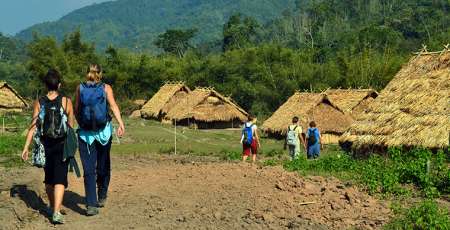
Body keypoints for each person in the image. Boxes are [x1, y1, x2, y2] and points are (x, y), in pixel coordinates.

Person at [22, 69, 75, 224]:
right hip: (62, 144)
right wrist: (71, 146)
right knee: (60, 179)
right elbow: (71, 126)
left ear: (46, 85)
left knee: (49, 179)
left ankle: (52, 207)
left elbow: (33, 126)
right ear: (59, 84)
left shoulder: (40, 102)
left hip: (45, 146)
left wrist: (26, 147)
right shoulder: (66, 101)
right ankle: (56, 212)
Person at [75, 64, 125, 216]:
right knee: (103, 166)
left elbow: (76, 109)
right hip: (104, 134)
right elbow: (113, 105)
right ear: (100, 74)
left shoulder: (80, 88)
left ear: (87, 74)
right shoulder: (106, 88)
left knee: (88, 170)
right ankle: (101, 194)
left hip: (85, 135)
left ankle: (91, 205)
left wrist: (81, 124)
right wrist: (121, 123)